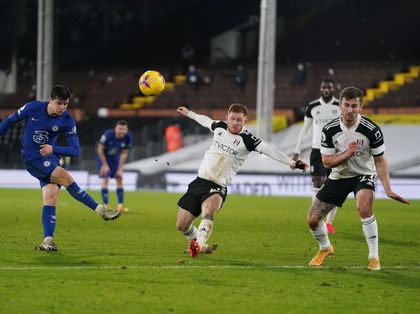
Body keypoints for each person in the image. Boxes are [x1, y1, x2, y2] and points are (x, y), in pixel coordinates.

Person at [0, 85, 121, 251]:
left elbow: (75, 150)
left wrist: (54, 149)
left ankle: (48, 240)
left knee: (51, 197)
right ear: (50, 100)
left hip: (50, 158)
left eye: (65, 104)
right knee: (65, 176)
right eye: (59, 103)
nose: (62, 107)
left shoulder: (67, 120)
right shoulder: (33, 108)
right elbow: (9, 121)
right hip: (32, 158)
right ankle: (100, 209)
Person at [175, 104, 309, 257]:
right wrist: (189, 113)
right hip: (199, 181)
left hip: (218, 186)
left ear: (245, 121)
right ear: (227, 118)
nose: (235, 123)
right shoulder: (219, 127)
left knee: (208, 212)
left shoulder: (248, 140)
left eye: (239, 120)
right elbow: (205, 120)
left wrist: (292, 162)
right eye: (232, 119)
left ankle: (198, 245)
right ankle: (200, 245)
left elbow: (270, 150)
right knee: (182, 225)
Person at [306, 86, 409, 271]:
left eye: (354, 106)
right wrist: (346, 154)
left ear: (361, 107)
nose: (350, 110)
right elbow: (327, 162)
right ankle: (325, 248)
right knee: (313, 219)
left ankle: (374, 257)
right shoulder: (329, 130)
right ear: (340, 106)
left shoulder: (371, 130)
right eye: (346, 105)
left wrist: (388, 189)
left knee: (363, 208)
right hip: (339, 176)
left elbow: (380, 160)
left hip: (363, 174)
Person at [292, 78, 340, 233]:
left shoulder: (339, 105)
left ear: (333, 89)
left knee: (334, 186)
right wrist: (297, 152)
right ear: (320, 89)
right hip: (316, 150)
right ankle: (317, 219)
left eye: (329, 87)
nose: (326, 90)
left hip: (335, 151)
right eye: (324, 87)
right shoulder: (313, 106)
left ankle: (330, 222)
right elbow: (304, 130)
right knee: (317, 185)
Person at [95, 120, 133, 213]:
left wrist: (120, 169)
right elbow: (100, 150)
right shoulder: (107, 135)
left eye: (124, 129)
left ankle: (120, 206)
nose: (122, 131)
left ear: (126, 129)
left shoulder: (128, 137)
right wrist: (104, 165)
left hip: (114, 157)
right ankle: (105, 205)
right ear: (115, 128)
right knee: (105, 178)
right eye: (120, 129)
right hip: (103, 157)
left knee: (119, 178)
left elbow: (124, 153)